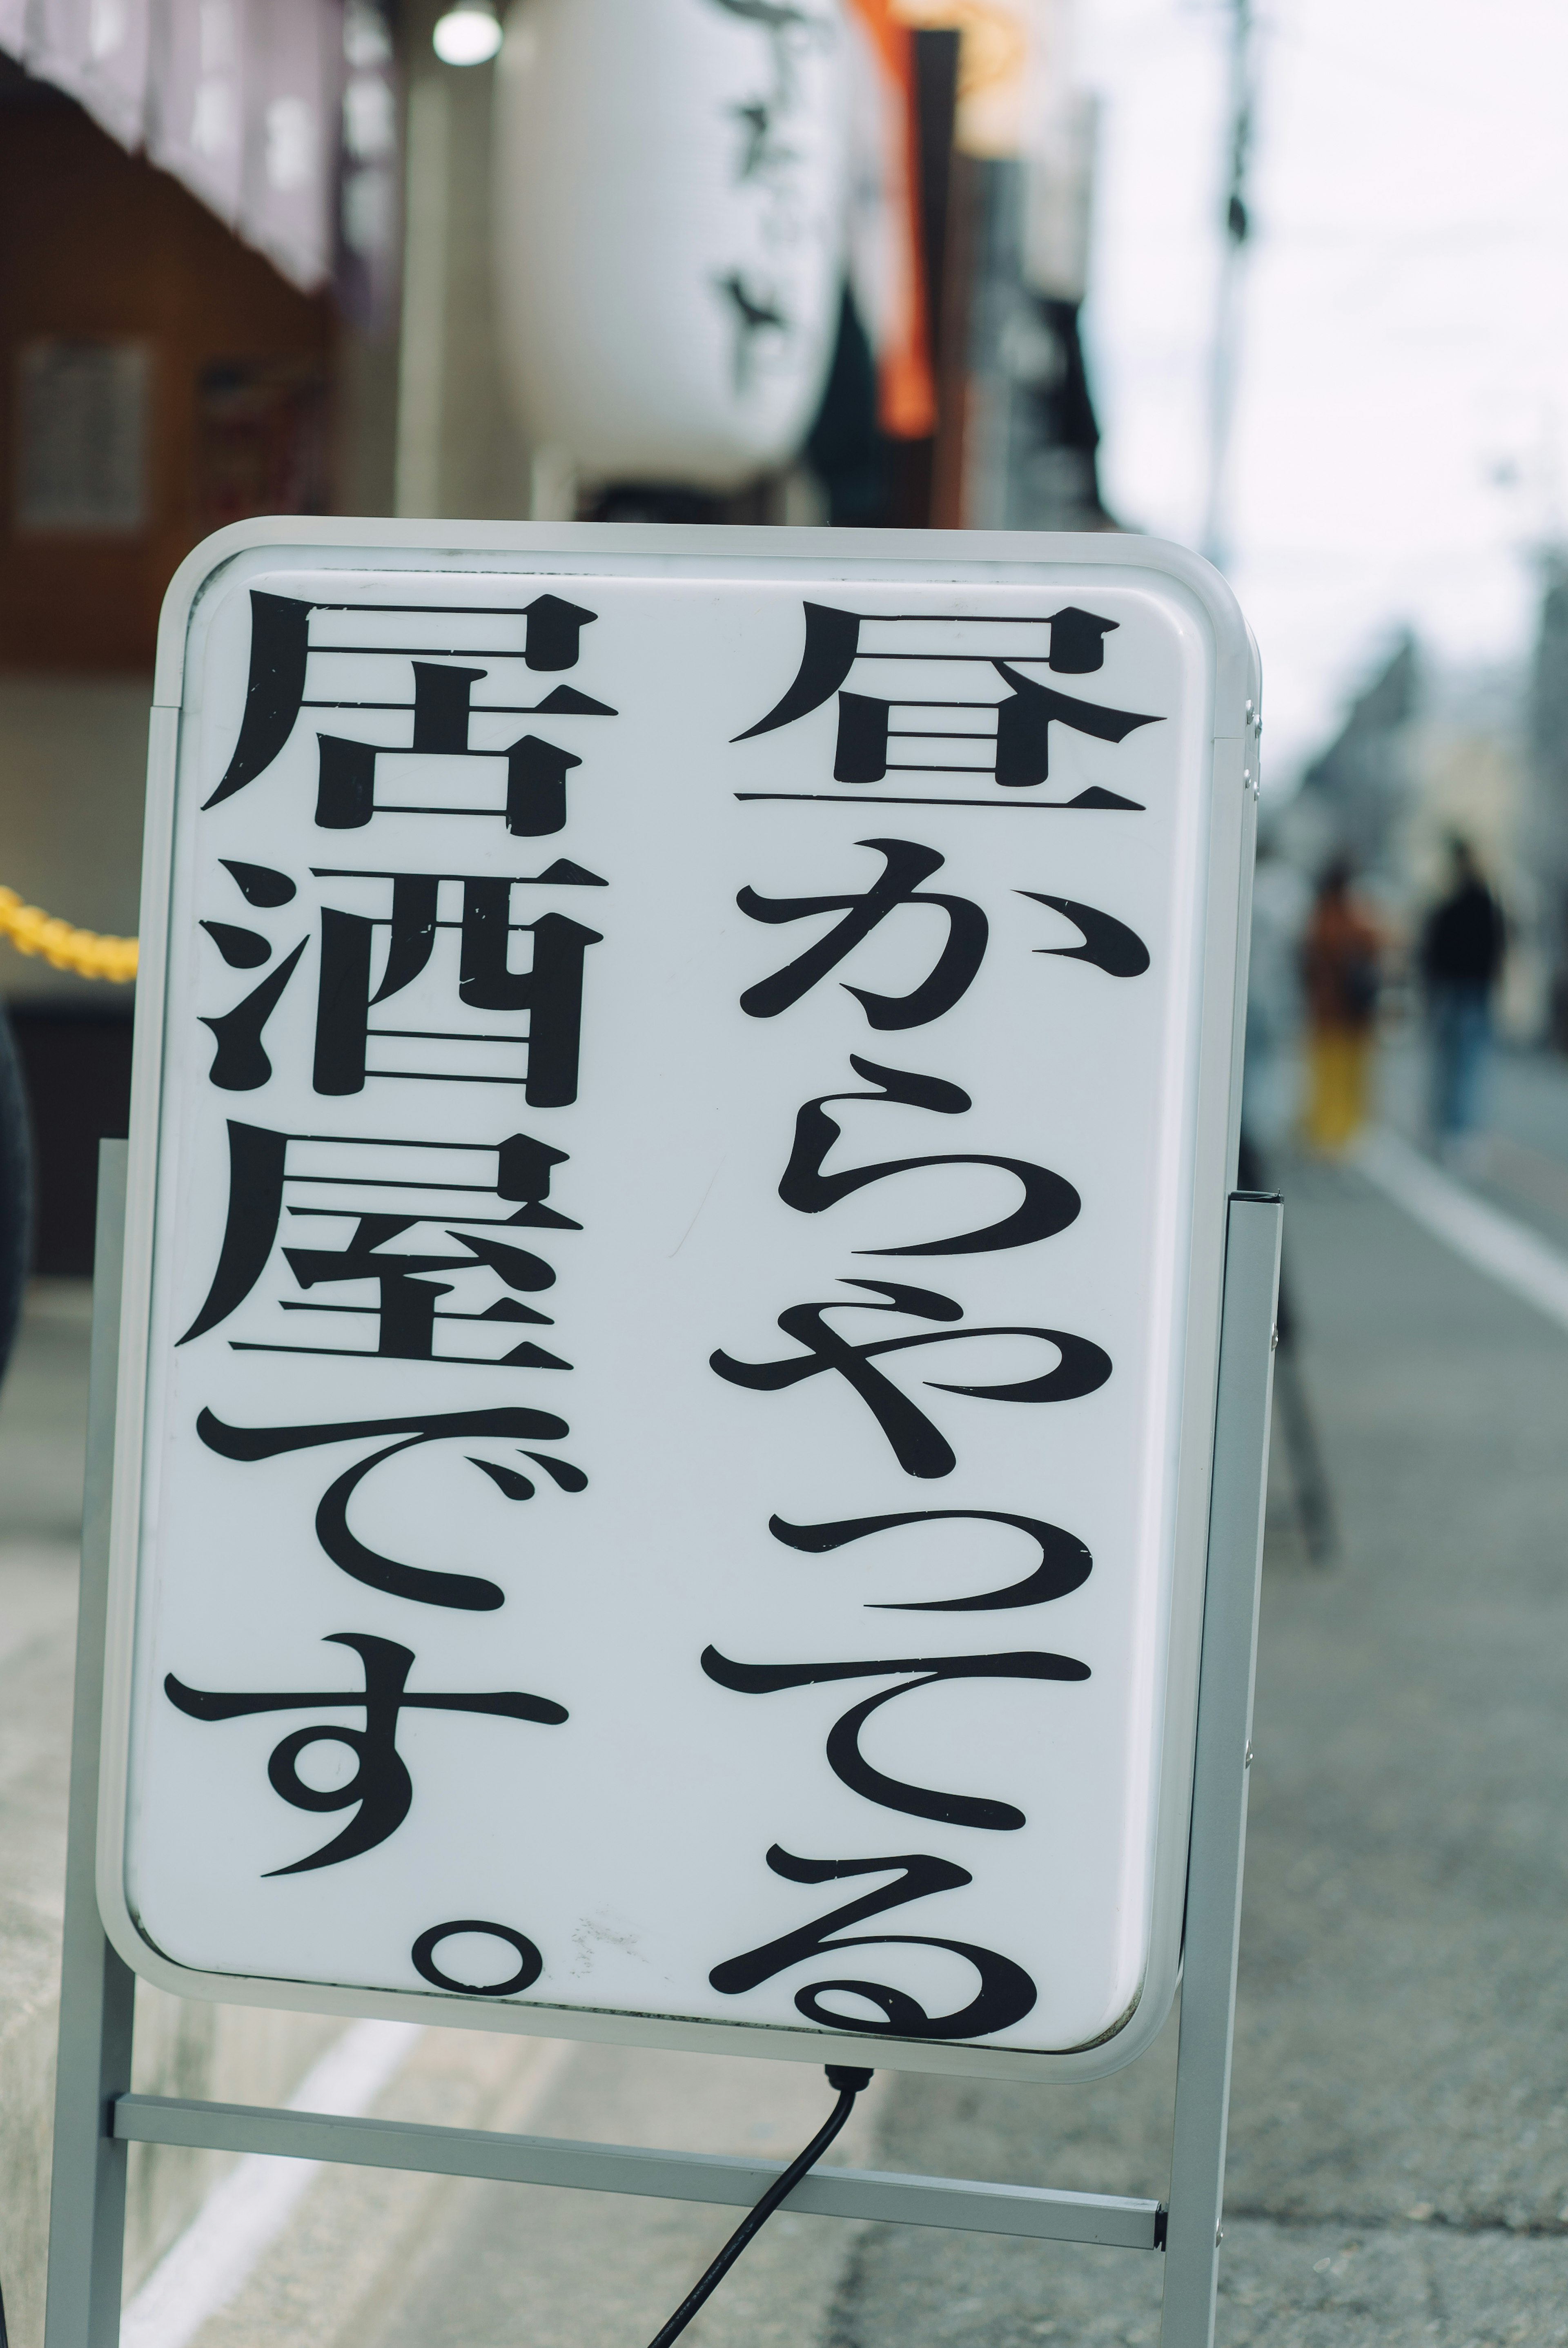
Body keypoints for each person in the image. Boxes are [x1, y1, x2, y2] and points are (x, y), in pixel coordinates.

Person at [1419, 835, 1506, 1165]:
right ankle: (1456, 1134)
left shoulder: (1452, 901)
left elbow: (1433, 948)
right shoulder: (1482, 901)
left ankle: (1449, 1131)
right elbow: (1499, 948)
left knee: (1453, 1065)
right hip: (1471, 991)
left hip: (1458, 991)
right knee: (1465, 1066)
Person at [1299, 857, 1382, 1154]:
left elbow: (1307, 961)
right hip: (1353, 1014)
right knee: (1350, 1076)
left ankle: (1325, 1132)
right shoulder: (1354, 919)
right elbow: (1377, 943)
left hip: (1324, 1012)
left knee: (1326, 1074)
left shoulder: (1319, 918)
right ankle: (1343, 1134)